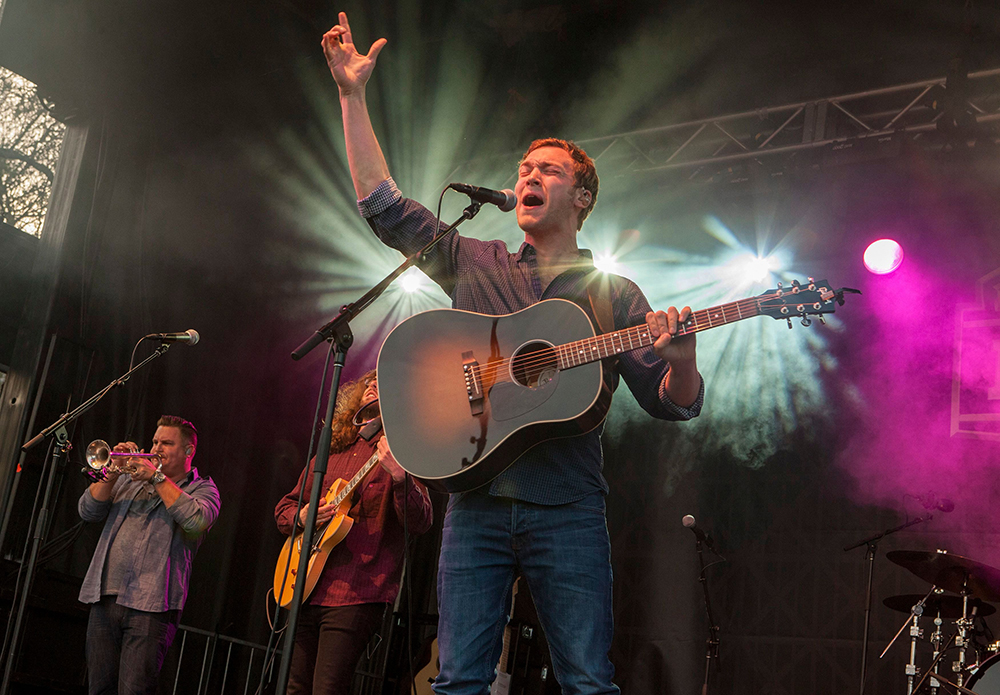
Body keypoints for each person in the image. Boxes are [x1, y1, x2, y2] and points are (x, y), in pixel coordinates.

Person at [321, 13, 704, 694]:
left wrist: (682, 359)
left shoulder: (614, 292)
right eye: (524, 167)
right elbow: (383, 206)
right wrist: (352, 97)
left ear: (580, 197)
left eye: (548, 169)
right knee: (458, 680)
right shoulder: (478, 259)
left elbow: (674, 405)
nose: (528, 174)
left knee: (587, 680)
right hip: (475, 498)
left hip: (570, 507)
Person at [274, 371, 434, 694]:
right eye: (369, 383)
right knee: (292, 687)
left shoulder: (401, 451)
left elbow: (422, 521)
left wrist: (402, 479)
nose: (373, 385)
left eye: (382, 382)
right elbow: (284, 510)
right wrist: (303, 516)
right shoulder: (330, 452)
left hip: (358, 592)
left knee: (328, 689)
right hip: (304, 585)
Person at [78, 415, 221, 695]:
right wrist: (113, 472)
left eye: (166, 443)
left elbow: (196, 521)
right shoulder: (129, 481)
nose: (156, 448)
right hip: (105, 594)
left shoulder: (204, 489)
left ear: (188, 451)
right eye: (155, 441)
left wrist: (156, 478)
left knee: (135, 690)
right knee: (98, 689)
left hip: (153, 605)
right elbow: (88, 510)